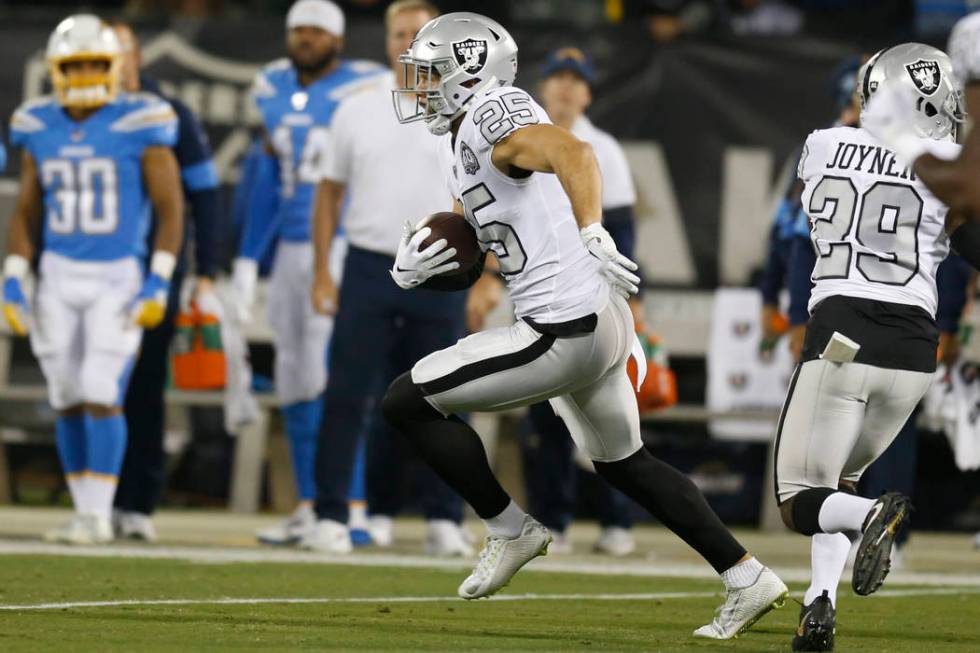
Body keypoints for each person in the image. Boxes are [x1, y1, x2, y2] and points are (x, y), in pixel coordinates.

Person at [381, 12, 787, 639]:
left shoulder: (495, 114)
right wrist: (423, 264)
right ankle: (746, 575)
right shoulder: (456, 134)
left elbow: (574, 151)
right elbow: (485, 230)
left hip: (559, 329)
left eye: (431, 74)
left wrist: (593, 226)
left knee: (406, 401)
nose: (419, 86)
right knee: (626, 463)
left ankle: (510, 530)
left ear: (468, 76)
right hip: (592, 319)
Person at [774, 44, 966, 652]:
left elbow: (811, 214)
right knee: (839, 481)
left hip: (843, 334)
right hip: (914, 352)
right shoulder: (949, 166)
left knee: (800, 497)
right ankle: (818, 606)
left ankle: (871, 519)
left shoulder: (822, 143)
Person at [1, 14, 183, 544]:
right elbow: (27, 211)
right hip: (57, 273)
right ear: (55, 70)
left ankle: (100, 513)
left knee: (101, 389)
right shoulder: (39, 124)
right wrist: (15, 274)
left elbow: (172, 211)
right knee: (65, 393)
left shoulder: (141, 120)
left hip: (116, 275)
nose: (82, 74)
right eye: (73, 65)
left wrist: (159, 279)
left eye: (93, 64)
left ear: (115, 67)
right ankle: (85, 511)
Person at [307, 0, 480, 555]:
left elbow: (484, 196)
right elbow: (328, 193)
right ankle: (332, 513)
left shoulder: (466, 109)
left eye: (419, 33)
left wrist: (491, 273)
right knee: (348, 392)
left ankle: (444, 516)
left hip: (442, 265)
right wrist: (320, 271)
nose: (408, 43)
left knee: (447, 394)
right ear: (386, 42)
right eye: (399, 34)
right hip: (369, 262)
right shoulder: (355, 108)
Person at [229, 0, 383, 546]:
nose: (307, 38)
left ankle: (353, 506)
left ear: (338, 38)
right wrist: (249, 255)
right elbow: (270, 174)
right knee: (293, 377)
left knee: (331, 377)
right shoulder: (270, 86)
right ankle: (310, 504)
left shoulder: (370, 86)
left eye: (318, 30)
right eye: (299, 30)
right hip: (292, 249)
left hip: (341, 244)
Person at [517, 46, 639, 556]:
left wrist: (635, 298)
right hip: (541, 293)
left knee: (612, 414)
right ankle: (554, 520)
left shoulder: (603, 148)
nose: (566, 87)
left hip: (594, 297)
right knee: (545, 418)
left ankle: (617, 521)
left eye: (576, 79)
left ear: (587, 91)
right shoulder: (522, 140)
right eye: (558, 77)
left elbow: (625, 229)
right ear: (544, 86)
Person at [109, 21, 222, 542]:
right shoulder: (76, 111)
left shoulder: (168, 112)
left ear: (138, 57)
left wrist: (208, 267)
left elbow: (202, 193)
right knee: (88, 386)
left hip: (153, 271)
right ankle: (93, 496)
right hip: (89, 269)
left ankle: (136, 501)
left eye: (121, 50)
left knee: (144, 388)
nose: (113, 59)